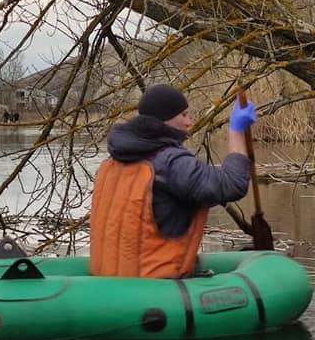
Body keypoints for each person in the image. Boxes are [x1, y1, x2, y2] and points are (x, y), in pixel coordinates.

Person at [89, 84, 257, 278]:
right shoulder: (172, 162)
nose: (189, 123)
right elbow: (231, 185)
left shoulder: (113, 161)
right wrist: (236, 131)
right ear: (165, 120)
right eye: (184, 115)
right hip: (157, 283)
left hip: (111, 278)